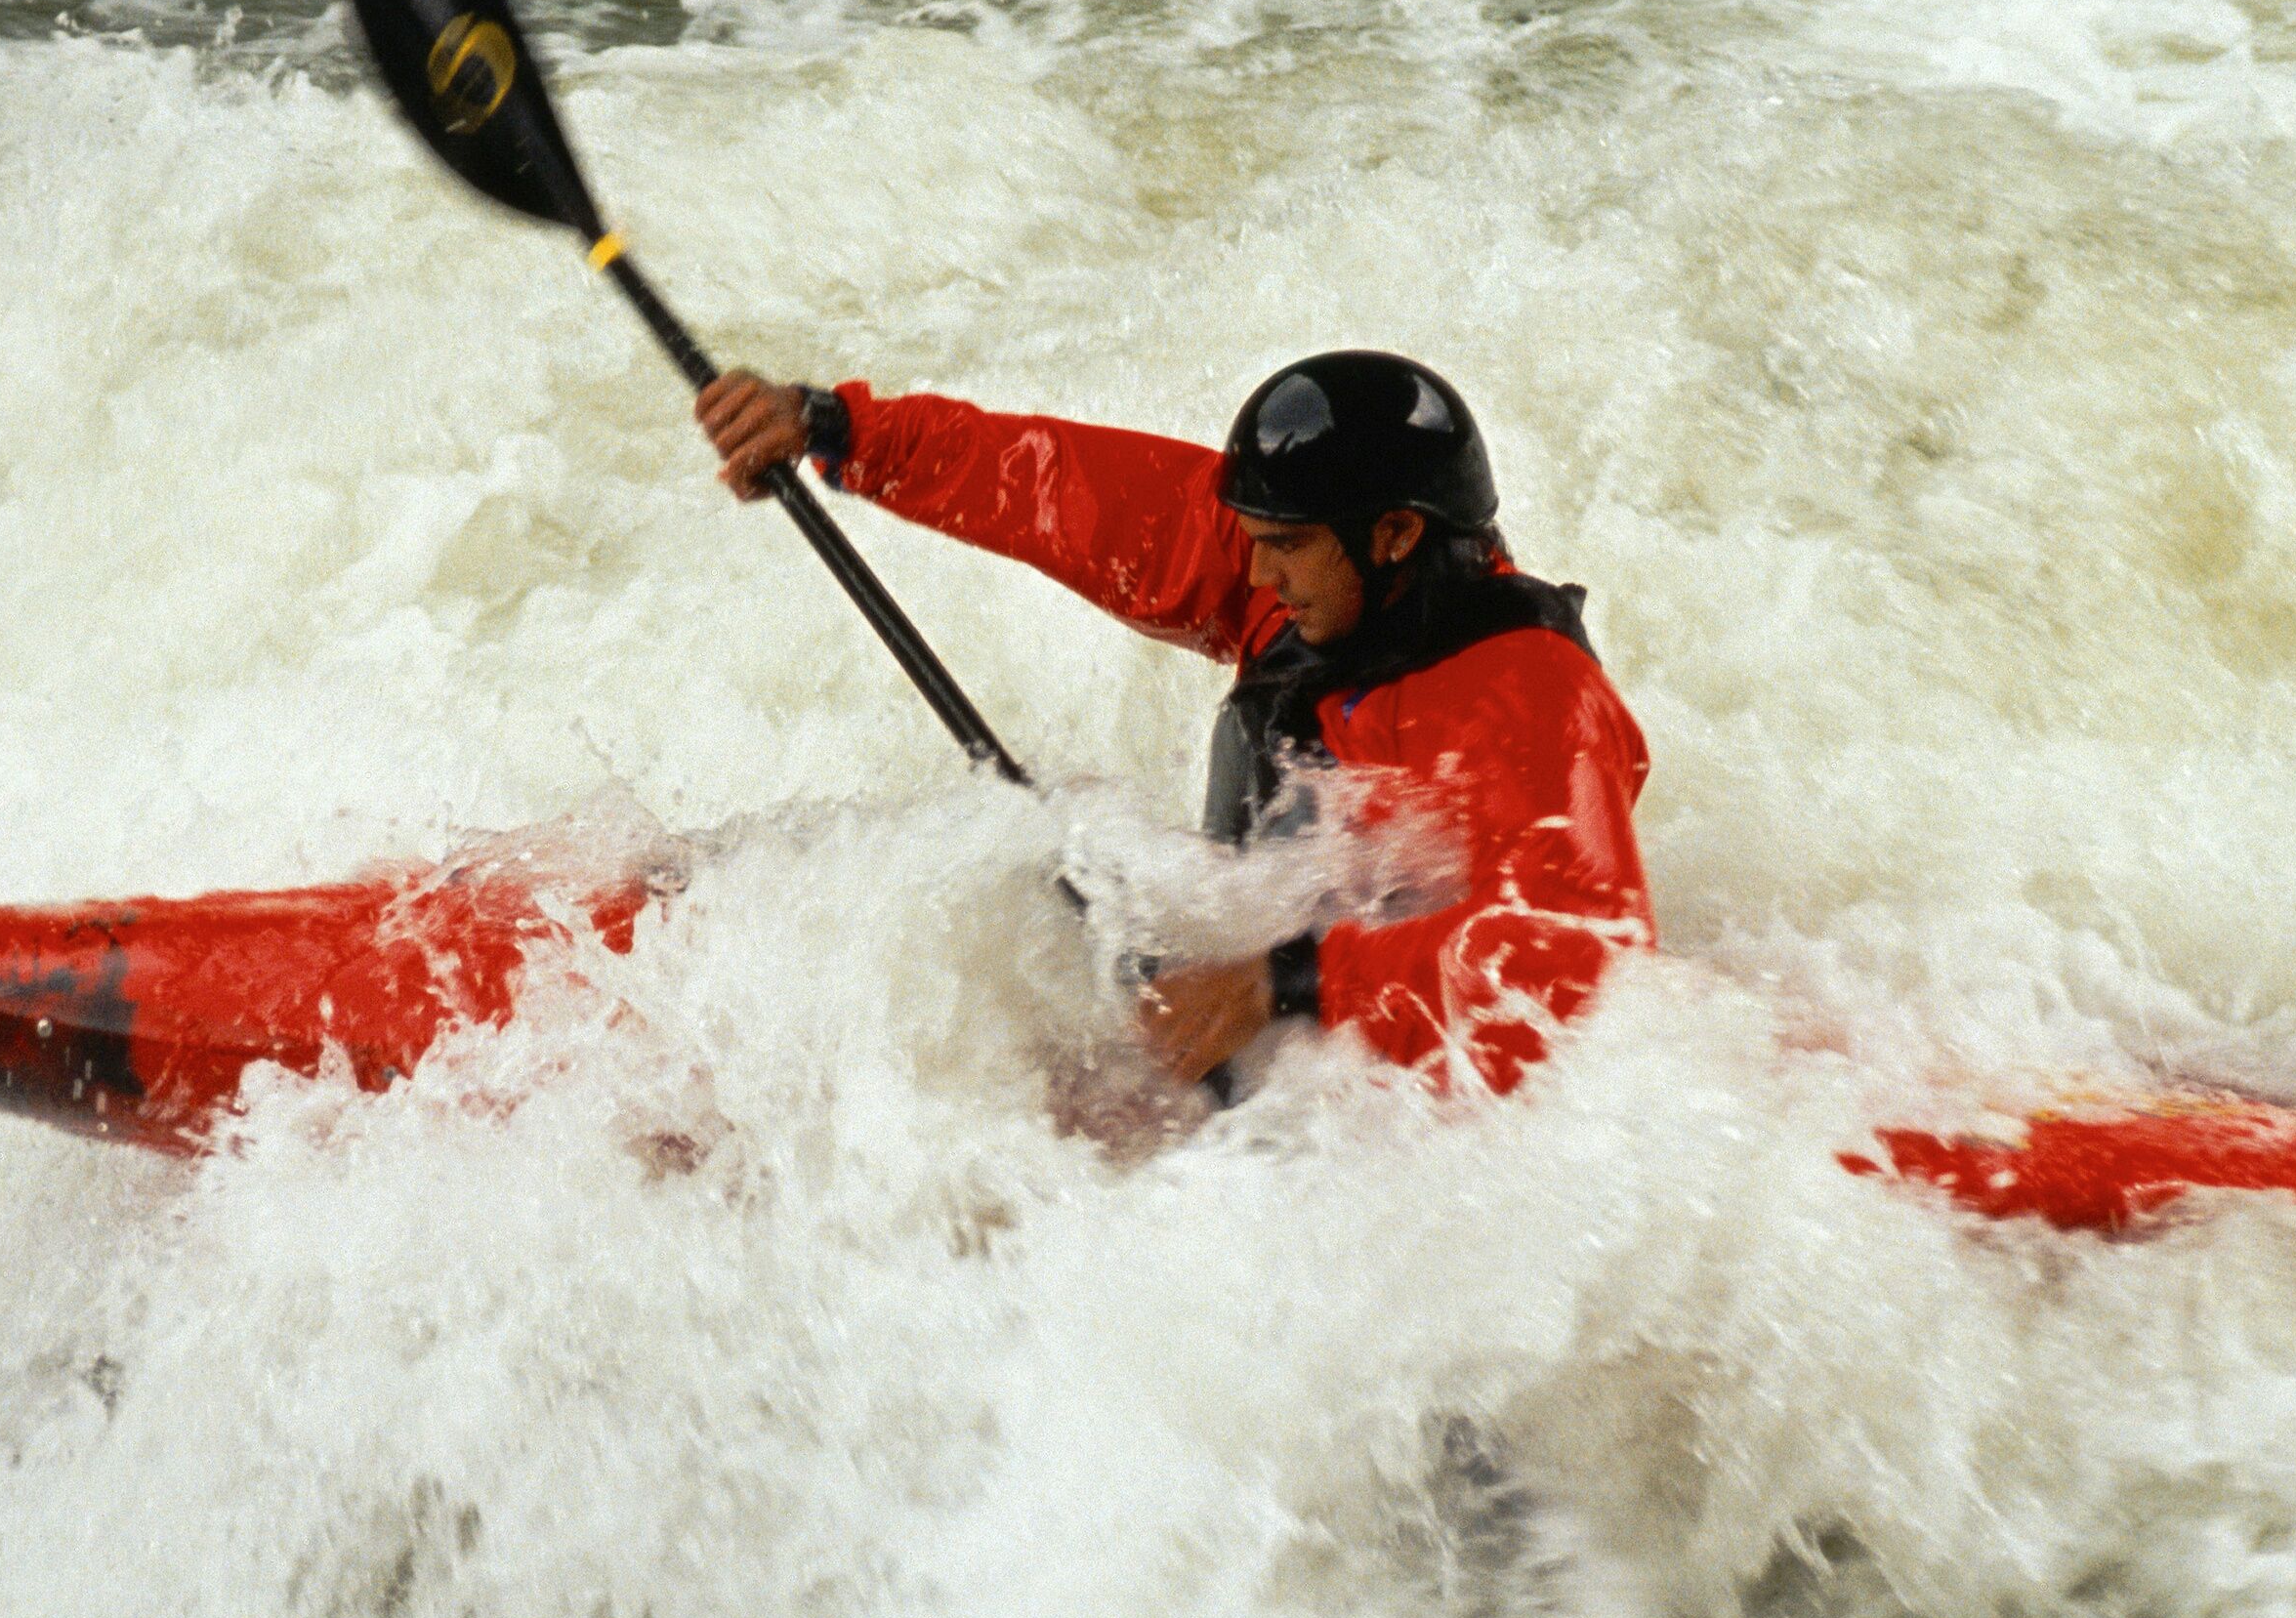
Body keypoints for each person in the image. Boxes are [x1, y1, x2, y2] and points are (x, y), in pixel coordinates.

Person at [690, 353, 1654, 1095]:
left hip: (1376, 1109)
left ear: (1395, 534)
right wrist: (839, 429)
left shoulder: (1531, 697)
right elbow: (1054, 489)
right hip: (1236, 1019)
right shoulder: (1324, 574)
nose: (1257, 571)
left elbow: (1581, 959)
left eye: (1284, 547)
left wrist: (1289, 984)